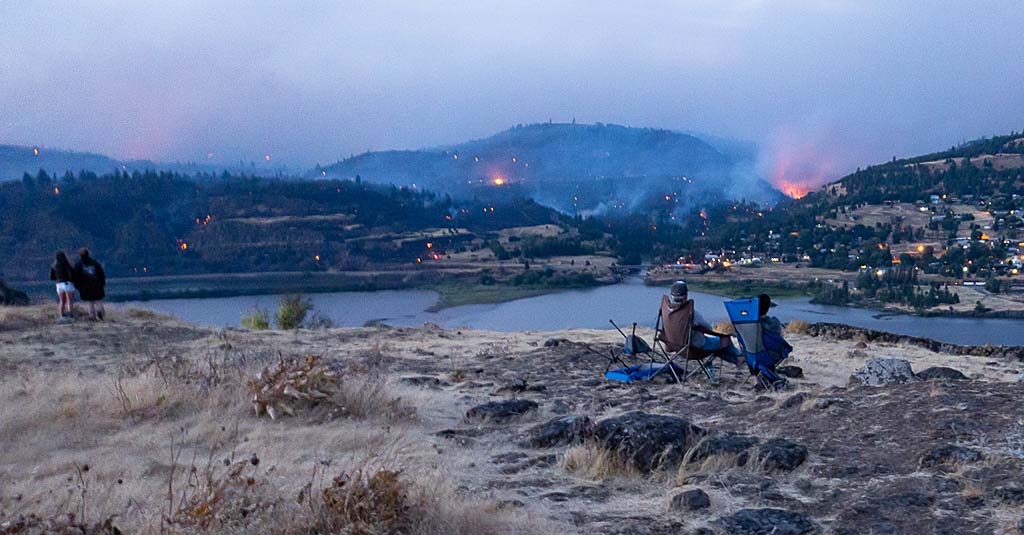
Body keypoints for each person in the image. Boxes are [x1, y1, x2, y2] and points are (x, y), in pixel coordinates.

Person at [668, 280, 743, 367]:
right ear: (686, 295)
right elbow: (708, 328)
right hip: (694, 348)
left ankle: (736, 360)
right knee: (725, 339)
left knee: (716, 346)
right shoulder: (690, 313)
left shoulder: (668, 312)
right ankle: (738, 356)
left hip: (675, 347)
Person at [74, 248, 106, 320]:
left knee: (89, 302)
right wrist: (102, 283)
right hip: (97, 285)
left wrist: (77, 286)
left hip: (85, 287)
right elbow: (101, 274)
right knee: (98, 301)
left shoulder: (78, 265)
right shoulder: (95, 263)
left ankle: (92, 316)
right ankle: (101, 313)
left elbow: (75, 276)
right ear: (88, 254)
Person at [49, 251, 76, 320]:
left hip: (58, 284)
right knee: (69, 300)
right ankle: (71, 315)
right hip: (66, 283)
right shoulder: (66, 264)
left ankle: (62, 316)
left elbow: (51, 277)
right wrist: (72, 279)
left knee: (62, 301)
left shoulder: (54, 265)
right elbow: (71, 274)